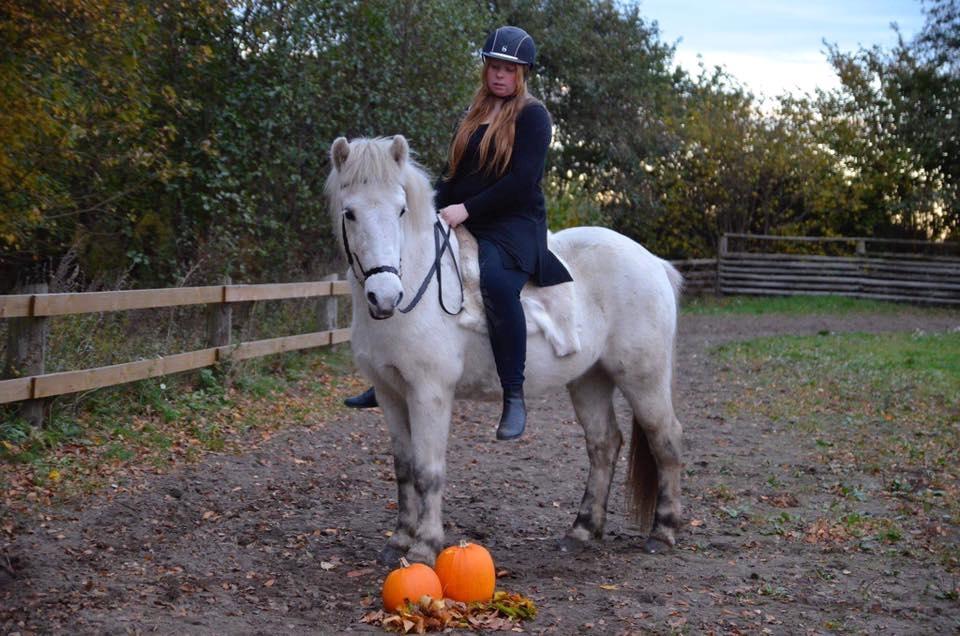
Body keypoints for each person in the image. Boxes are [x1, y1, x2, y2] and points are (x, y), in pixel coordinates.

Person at [344, 26, 572, 442]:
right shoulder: (471, 114)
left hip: (514, 223)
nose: (499, 75)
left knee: (499, 285)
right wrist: (426, 207)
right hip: (463, 215)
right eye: (494, 67)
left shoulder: (533, 116)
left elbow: (522, 181)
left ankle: (514, 394)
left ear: (522, 74)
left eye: (509, 69)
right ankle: (387, 379)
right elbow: (457, 176)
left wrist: (468, 208)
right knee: (408, 267)